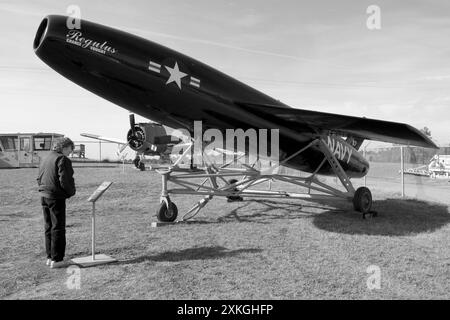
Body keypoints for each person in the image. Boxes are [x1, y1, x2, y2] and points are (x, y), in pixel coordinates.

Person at [37, 137, 76, 269]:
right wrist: (71, 192)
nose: (71, 152)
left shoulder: (46, 157)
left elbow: (39, 177)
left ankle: (50, 257)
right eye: (71, 148)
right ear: (64, 147)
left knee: (48, 226)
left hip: (44, 194)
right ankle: (57, 259)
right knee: (58, 227)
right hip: (56, 197)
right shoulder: (62, 159)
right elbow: (64, 179)